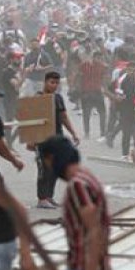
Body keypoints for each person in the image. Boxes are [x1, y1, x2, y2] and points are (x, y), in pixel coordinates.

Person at [28, 136, 111, 270]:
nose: (48, 168)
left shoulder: (78, 186)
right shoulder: (87, 177)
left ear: (53, 158)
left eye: (47, 162)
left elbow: (95, 231)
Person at [29, 72, 80, 208]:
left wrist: (73, 133)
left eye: (57, 83)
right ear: (45, 82)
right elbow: (31, 119)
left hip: (56, 138)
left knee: (55, 168)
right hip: (42, 139)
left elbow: (63, 117)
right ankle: (42, 198)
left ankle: (49, 196)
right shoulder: (38, 97)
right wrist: (30, 139)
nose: (54, 85)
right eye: (52, 82)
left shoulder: (58, 98)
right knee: (44, 169)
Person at [78, 52, 108, 139]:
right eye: (99, 58)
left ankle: (87, 133)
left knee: (87, 114)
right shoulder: (103, 66)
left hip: (87, 92)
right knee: (101, 113)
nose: (99, 60)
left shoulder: (84, 65)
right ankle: (102, 132)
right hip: (95, 92)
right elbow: (104, 79)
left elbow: (79, 77)